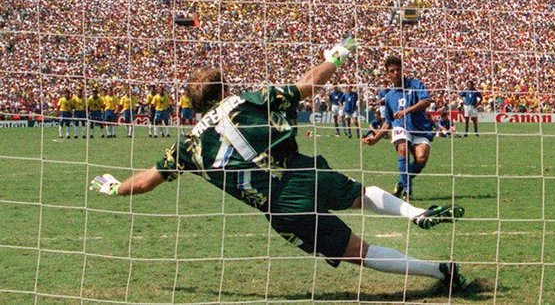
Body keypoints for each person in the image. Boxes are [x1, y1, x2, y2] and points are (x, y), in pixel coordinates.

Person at [89, 37, 486, 294]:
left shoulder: (189, 146)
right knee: (363, 196)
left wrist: (115, 187)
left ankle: (438, 271)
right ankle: (415, 213)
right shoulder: (248, 99)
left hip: (279, 206)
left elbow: (146, 182)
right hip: (300, 171)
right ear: (224, 90)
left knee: (357, 252)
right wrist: (334, 59)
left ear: (194, 106)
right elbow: (308, 84)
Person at [363, 56, 434, 200]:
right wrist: (375, 139)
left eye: (398, 70)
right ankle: (408, 191)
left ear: (402, 70)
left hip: (419, 128)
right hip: (400, 128)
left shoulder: (415, 84)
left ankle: (401, 182)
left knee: (421, 159)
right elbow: (388, 122)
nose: (396, 73)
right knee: (403, 148)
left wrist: (407, 110)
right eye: (392, 71)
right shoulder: (389, 96)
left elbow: (427, 101)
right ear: (387, 74)